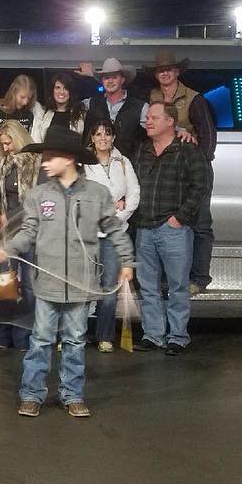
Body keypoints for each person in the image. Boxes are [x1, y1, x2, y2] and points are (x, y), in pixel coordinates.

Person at [0, 126, 135, 419]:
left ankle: (73, 394)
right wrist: (8, 248)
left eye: (49, 156)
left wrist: (127, 263)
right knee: (41, 339)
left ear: (68, 159)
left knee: (75, 340)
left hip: (80, 283)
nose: (44, 162)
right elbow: (29, 231)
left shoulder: (97, 194)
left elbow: (114, 230)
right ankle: (31, 393)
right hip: (47, 283)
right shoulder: (39, 195)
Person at [132, 101, 209, 355]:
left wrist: (180, 218)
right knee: (148, 286)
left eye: (154, 117)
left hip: (173, 229)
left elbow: (200, 186)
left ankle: (177, 336)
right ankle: (153, 335)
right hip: (145, 227)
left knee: (178, 285)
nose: (148, 121)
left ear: (170, 122)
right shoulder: (142, 150)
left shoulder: (187, 149)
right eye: (147, 118)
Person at [147, 50, 217, 295]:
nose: (164, 73)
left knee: (200, 224)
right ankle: (172, 278)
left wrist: (199, 164)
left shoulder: (194, 99)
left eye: (169, 69)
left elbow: (208, 135)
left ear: (177, 72)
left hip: (194, 167)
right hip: (170, 170)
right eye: (160, 70)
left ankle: (199, 278)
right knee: (172, 224)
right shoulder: (153, 97)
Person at [83, 119, 140, 352]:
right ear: (92, 139)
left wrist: (118, 216)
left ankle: (104, 336)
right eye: (98, 134)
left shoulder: (123, 162)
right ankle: (77, 333)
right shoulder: (83, 162)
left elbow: (134, 195)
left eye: (107, 134)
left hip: (115, 233)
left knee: (108, 288)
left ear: (113, 138)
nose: (103, 138)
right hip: (88, 232)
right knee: (84, 284)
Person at [0, 120, 39, 351]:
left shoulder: (36, 162)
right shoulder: (1, 163)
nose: (7, 148)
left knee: (29, 287)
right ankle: (2, 336)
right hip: (8, 231)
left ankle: (24, 337)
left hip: (30, 232)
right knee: (6, 285)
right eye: (3, 144)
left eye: (9, 143)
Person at [83, 58, 147, 162]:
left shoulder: (140, 106)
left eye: (114, 77)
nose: (110, 81)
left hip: (128, 167)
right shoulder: (91, 103)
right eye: (107, 78)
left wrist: (180, 131)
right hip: (97, 167)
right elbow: (69, 110)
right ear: (102, 81)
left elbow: (160, 125)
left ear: (122, 80)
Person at [0, 73, 43, 152]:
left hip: (23, 158)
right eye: (22, 97)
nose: (25, 102)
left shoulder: (34, 111)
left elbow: (36, 140)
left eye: (28, 98)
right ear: (13, 93)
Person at [32, 72, 86, 141]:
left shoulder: (80, 114)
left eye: (65, 88)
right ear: (52, 91)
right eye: (58, 88)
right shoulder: (43, 114)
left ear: (70, 92)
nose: (61, 92)